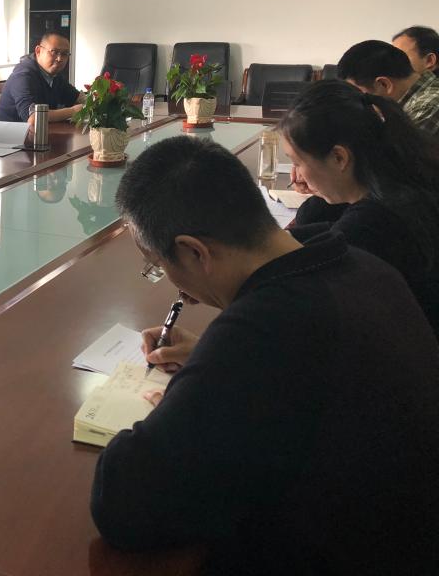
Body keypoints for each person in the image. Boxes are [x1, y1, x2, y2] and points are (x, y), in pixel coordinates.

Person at [92, 136, 439, 575]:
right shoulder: (363, 266)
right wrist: (210, 362)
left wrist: (195, 390)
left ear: (195, 251)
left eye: (160, 266)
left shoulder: (267, 328)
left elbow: (123, 502)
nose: (171, 282)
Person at [278, 79, 439, 336]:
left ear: (339, 157)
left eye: (297, 162)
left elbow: (301, 305)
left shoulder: (371, 224)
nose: (296, 175)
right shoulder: (404, 178)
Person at [337, 38, 439, 135]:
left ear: (384, 84)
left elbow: (395, 147)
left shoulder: (429, 106)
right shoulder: (416, 97)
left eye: (361, 95)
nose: (360, 103)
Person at [0, 32, 82, 123]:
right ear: (38, 51)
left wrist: (89, 99)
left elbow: (78, 98)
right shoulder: (23, 76)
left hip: (42, 130)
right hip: (11, 131)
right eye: (54, 52)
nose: (59, 59)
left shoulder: (54, 75)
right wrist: (73, 111)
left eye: (64, 54)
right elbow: (33, 118)